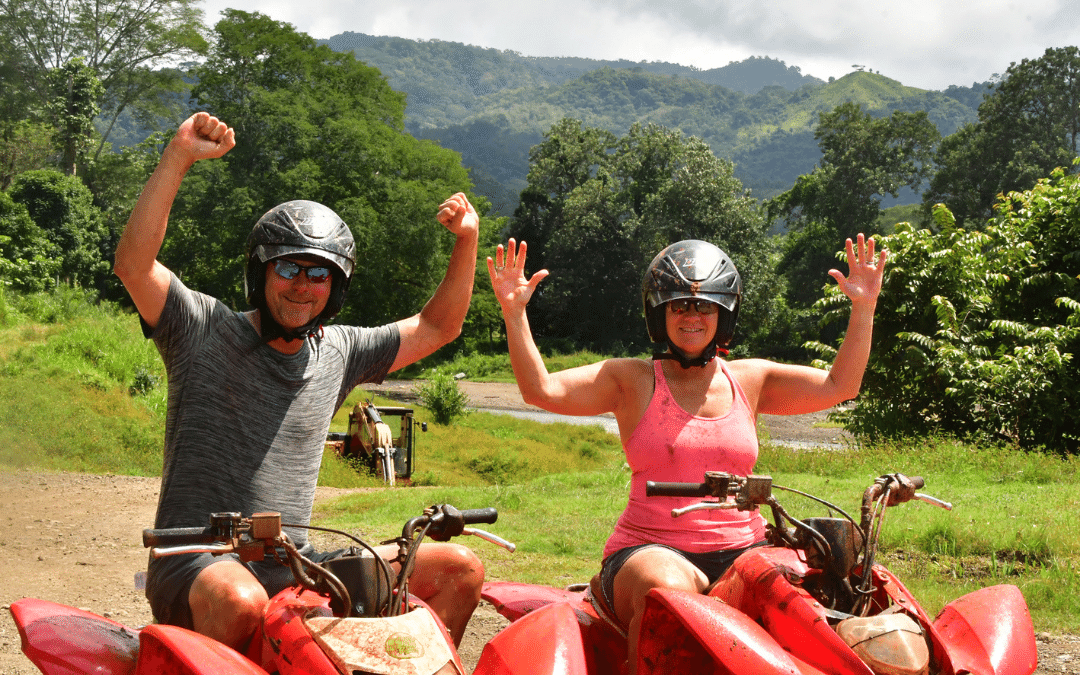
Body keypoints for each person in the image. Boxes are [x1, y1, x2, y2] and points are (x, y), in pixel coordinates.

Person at [114, 112, 484, 652]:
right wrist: (179, 156)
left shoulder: (341, 351)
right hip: (194, 562)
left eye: (318, 273)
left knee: (457, 567)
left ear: (334, 287)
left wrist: (466, 241)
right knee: (242, 601)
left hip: (295, 563)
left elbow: (438, 326)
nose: (301, 286)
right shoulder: (201, 330)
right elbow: (133, 264)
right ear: (260, 273)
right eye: (288, 268)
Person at [487, 235, 886, 673]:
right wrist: (514, 312)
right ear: (660, 314)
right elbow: (540, 390)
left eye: (705, 306)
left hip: (745, 546)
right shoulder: (629, 379)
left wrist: (863, 309)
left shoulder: (752, 378)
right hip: (650, 548)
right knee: (667, 593)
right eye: (679, 305)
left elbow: (839, 386)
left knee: (825, 593)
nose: (692, 316)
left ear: (723, 315)